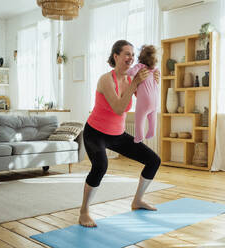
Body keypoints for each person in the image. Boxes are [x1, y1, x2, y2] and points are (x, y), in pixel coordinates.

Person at [79, 40, 161, 227]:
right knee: (100, 165)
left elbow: (144, 99)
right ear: (115, 56)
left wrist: (152, 83)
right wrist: (135, 84)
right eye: (126, 54)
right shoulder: (106, 79)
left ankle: (137, 200)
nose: (131, 58)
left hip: (117, 134)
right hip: (95, 133)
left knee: (153, 160)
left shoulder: (132, 78)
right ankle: (84, 211)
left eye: (133, 54)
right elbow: (118, 108)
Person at [127, 45, 159, 143]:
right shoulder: (155, 70)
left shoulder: (140, 66)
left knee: (139, 118)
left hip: (145, 100)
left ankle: (139, 137)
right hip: (155, 100)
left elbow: (130, 72)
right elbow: (157, 80)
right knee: (152, 117)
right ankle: (151, 132)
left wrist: (130, 68)